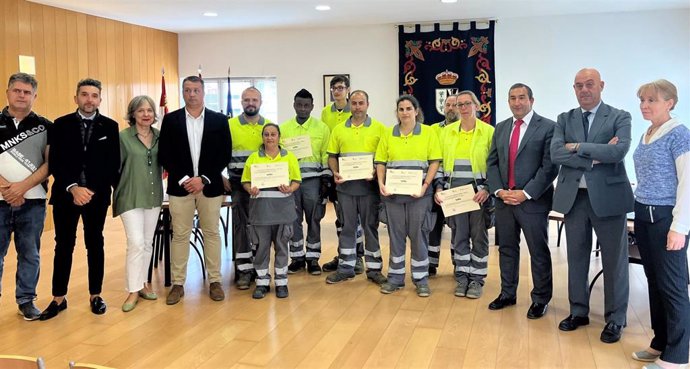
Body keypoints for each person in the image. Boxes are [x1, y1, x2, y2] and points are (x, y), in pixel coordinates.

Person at [551, 68, 634, 343]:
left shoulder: (620, 116)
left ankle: (615, 319)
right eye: (578, 85)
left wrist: (576, 147)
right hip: (575, 199)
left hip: (609, 200)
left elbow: (618, 151)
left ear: (601, 85)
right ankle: (578, 311)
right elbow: (556, 153)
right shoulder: (565, 118)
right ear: (573, 89)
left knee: (614, 262)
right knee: (576, 258)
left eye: (589, 84)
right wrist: (595, 154)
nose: (584, 90)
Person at [41, 78, 120, 320]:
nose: (89, 99)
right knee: (63, 246)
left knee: (95, 244)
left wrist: (91, 190)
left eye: (94, 95)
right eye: (84, 95)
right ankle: (58, 298)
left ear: (100, 99)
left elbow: (113, 164)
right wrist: (73, 187)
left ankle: (95, 295)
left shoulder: (110, 126)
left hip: (96, 197)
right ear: (76, 98)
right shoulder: (60, 125)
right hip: (66, 196)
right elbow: (55, 162)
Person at [631, 79, 690, 369]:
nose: (644, 104)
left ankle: (677, 358)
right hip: (643, 215)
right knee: (654, 283)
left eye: (652, 100)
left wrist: (679, 227)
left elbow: (688, 183)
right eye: (642, 99)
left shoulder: (679, 134)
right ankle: (660, 342)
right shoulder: (649, 132)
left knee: (673, 286)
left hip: (666, 219)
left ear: (670, 103)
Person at [485, 83, 558, 319]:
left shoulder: (548, 127)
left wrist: (525, 193)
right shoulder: (501, 127)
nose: (517, 102)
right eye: (512, 98)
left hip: (532, 201)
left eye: (522, 97)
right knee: (506, 249)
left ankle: (540, 299)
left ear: (532, 100)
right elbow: (492, 162)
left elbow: (550, 167)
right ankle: (508, 293)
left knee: (538, 251)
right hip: (504, 200)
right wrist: (498, 190)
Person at [158, 76, 232, 305]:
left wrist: (204, 179)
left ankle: (215, 281)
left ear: (203, 93)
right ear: (182, 92)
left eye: (196, 90)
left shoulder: (219, 120)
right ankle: (178, 284)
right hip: (181, 188)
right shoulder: (171, 120)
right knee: (180, 235)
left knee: (211, 233)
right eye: (187, 90)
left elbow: (224, 154)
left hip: (209, 187)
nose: (192, 94)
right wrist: (185, 179)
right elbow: (165, 154)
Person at [375, 95, 441, 297]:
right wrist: (381, 184)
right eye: (401, 109)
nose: (405, 112)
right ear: (397, 112)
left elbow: (434, 162)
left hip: (419, 195)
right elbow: (381, 162)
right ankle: (395, 278)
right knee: (396, 237)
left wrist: (425, 186)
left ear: (416, 110)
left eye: (408, 108)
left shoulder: (428, 133)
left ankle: (421, 279)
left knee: (419, 235)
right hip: (394, 196)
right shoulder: (388, 134)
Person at [0, 73, 51, 321]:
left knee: (30, 253)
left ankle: (26, 300)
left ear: (34, 96)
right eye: (17, 91)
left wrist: (21, 188)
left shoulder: (45, 126)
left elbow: (50, 164)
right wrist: (7, 189)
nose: (21, 95)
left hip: (33, 202)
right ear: (8, 92)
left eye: (27, 92)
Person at [435, 90, 494, 299]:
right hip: (454, 195)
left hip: (478, 194)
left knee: (479, 237)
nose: (463, 108)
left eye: (468, 104)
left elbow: (495, 165)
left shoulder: (489, 132)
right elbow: (439, 163)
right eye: (459, 105)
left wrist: (487, 188)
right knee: (459, 236)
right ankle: (461, 276)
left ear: (477, 106)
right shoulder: (447, 132)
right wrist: (439, 187)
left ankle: (477, 279)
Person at [325, 90, 386, 285]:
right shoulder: (339, 129)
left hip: (369, 190)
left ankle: (374, 270)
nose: (357, 106)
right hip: (346, 190)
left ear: (368, 104)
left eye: (361, 103)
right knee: (347, 228)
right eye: (354, 103)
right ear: (350, 104)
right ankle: (346, 268)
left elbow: (383, 159)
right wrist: (335, 172)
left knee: (370, 228)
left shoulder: (380, 129)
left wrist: (377, 173)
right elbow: (332, 156)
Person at [112, 95, 163, 312]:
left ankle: (143, 283)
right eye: (141, 111)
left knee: (148, 242)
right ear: (133, 114)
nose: (146, 114)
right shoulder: (122, 138)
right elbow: (114, 168)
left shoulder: (161, 136)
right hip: (130, 196)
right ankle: (132, 290)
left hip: (153, 196)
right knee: (135, 242)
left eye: (149, 110)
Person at [241, 123, 301, 299]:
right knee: (261, 248)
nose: (269, 137)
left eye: (273, 134)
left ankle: (281, 282)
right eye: (266, 134)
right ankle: (262, 283)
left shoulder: (289, 157)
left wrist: (290, 188)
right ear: (262, 137)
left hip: (283, 211)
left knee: (282, 247)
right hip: (261, 213)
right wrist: (249, 189)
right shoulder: (253, 158)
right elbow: (245, 181)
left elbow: (297, 180)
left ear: (279, 137)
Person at [225, 87, 272, 290]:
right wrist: (221, 177)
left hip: (263, 186)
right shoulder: (230, 125)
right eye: (246, 100)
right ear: (241, 102)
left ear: (261, 102)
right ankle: (244, 270)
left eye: (254, 99)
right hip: (237, 183)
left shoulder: (268, 127)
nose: (250, 103)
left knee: (261, 227)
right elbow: (218, 153)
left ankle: (260, 269)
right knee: (241, 226)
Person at [281, 89, 330, 275]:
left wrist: (326, 181)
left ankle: (313, 258)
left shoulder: (321, 128)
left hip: (313, 182)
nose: (302, 109)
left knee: (314, 219)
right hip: (291, 183)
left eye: (306, 105)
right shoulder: (284, 128)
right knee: (293, 220)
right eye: (299, 105)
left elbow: (326, 154)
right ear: (294, 105)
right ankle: (297, 258)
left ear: (312, 106)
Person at [320, 75, 365, 274]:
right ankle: (344, 254)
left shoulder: (355, 111)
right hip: (335, 168)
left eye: (341, 87)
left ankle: (358, 257)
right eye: (334, 88)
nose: (337, 91)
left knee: (357, 218)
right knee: (341, 218)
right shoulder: (325, 112)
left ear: (347, 90)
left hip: (355, 169)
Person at [427, 94, 460, 276]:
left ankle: (457, 262)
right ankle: (431, 264)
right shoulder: (433, 129)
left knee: (457, 227)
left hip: (455, 185)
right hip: (434, 185)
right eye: (447, 105)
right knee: (433, 226)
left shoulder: (464, 130)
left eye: (455, 105)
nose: (451, 108)